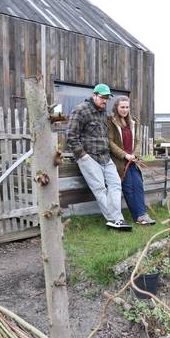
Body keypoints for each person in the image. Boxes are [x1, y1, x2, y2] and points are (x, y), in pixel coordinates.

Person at [66, 84, 132, 231]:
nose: (105, 101)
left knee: (115, 185)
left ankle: (115, 219)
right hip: (89, 157)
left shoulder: (103, 112)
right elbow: (71, 136)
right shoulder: (80, 110)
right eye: (102, 97)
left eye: (107, 98)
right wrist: (82, 156)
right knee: (100, 189)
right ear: (94, 95)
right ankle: (116, 219)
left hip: (105, 157)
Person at [107, 96, 157, 225]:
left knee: (138, 185)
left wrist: (135, 154)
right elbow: (110, 142)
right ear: (116, 108)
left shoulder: (134, 121)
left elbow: (138, 141)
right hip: (120, 161)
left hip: (133, 161)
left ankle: (142, 214)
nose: (124, 110)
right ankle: (138, 217)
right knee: (128, 187)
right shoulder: (111, 121)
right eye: (122, 107)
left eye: (127, 107)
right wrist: (124, 155)